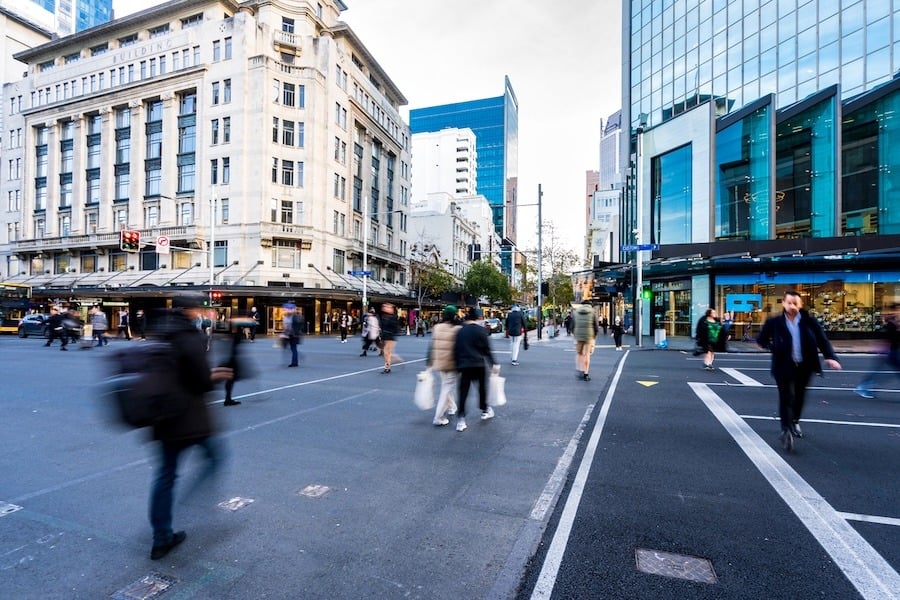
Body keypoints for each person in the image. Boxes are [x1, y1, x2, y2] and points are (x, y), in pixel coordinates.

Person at [147, 291, 233, 560]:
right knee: (215, 457)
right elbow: (199, 381)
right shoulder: (190, 337)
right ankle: (193, 504)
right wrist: (216, 375)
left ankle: (161, 536)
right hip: (188, 418)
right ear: (192, 311)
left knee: (165, 475)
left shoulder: (160, 333)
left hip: (163, 415)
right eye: (201, 309)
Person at [756, 290, 841, 452]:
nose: (792, 306)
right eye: (789, 303)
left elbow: (822, 340)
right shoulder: (774, 322)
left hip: (805, 366)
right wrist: (773, 347)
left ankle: (795, 421)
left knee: (799, 396)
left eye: (795, 303)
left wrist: (831, 357)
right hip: (783, 365)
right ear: (783, 303)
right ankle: (786, 429)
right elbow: (761, 339)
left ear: (801, 304)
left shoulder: (810, 322)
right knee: (785, 397)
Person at [453, 307, 499, 432]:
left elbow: (456, 349)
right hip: (478, 364)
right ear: (478, 318)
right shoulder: (481, 331)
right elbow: (486, 349)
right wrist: (493, 364)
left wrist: (456, 365)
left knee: (463, 392)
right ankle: (484, 410)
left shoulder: (460, 331)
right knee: (481, 388)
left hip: (464, 365)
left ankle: (461, 419)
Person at [854, 303, 900, 399]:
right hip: (890, 352)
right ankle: (863, 387)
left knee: (881, 372)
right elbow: (888, 338)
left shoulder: (894, 322)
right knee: (881, 373)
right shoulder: (891, 324)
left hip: (892, 351)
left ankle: (863, 386)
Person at [426, 305, 461, 426]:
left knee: (446, 385)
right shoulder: (457, 329)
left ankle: (452, 407)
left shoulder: (437, 327)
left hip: (439, 362)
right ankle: (438, 417)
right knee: (446, 389)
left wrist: (429, 361)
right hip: (452, 363)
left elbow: (431, 346)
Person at [572, 304, 599, 381]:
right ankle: (586, 373)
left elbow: (572, 325)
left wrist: (575, 333)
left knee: (579, 353)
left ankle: (579, 369)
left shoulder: (576, 312)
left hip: (578, 336)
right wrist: (594, 336)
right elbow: (596, 326)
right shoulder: (592, 312)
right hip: (589, 336)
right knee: (587, 355)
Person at [379, 302, 400, 373]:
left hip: (390, 337)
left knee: (386, 352)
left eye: (386, 307)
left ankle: (387, 367)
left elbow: (396, 328)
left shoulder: (393, 317)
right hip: (385, 336)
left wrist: (390, 333)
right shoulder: (384, 316)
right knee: (386, 353)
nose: (384, 308)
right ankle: (394, 359)